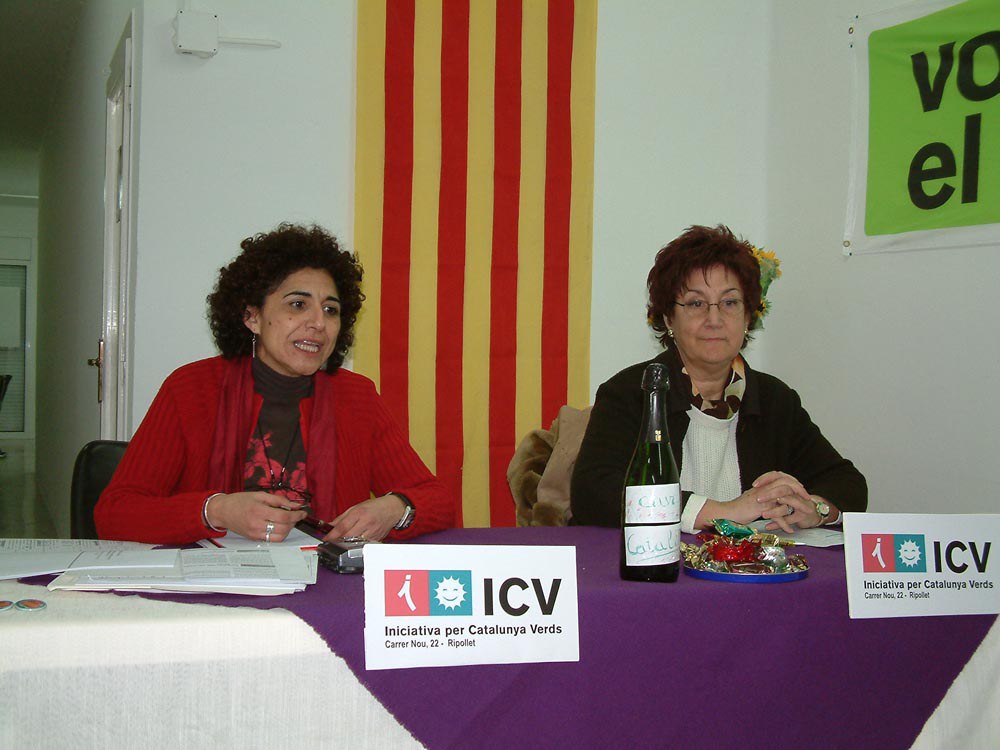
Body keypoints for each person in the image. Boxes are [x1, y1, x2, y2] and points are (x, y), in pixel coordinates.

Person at [96, 224, 455, 545]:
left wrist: (394, 508)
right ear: (252, 316)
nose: (318, 323)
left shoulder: (356, 397)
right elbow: (115, 513)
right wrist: (216, 511)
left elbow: (438, 501)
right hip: (216, 584)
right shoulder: (190, 390)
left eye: (330, 310)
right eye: (298, 305)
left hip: (325, 579)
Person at [571, 224, 866, 534]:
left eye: (730, 303)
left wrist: (815, 508)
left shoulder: (774, 399)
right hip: (654, 560)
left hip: (747, 563)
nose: (714, 319)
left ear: (748, 316)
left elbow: (847, 482)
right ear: (669, 318)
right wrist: (721, 512)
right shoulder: (633, 392)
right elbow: (593, 493)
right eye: (696, 303)